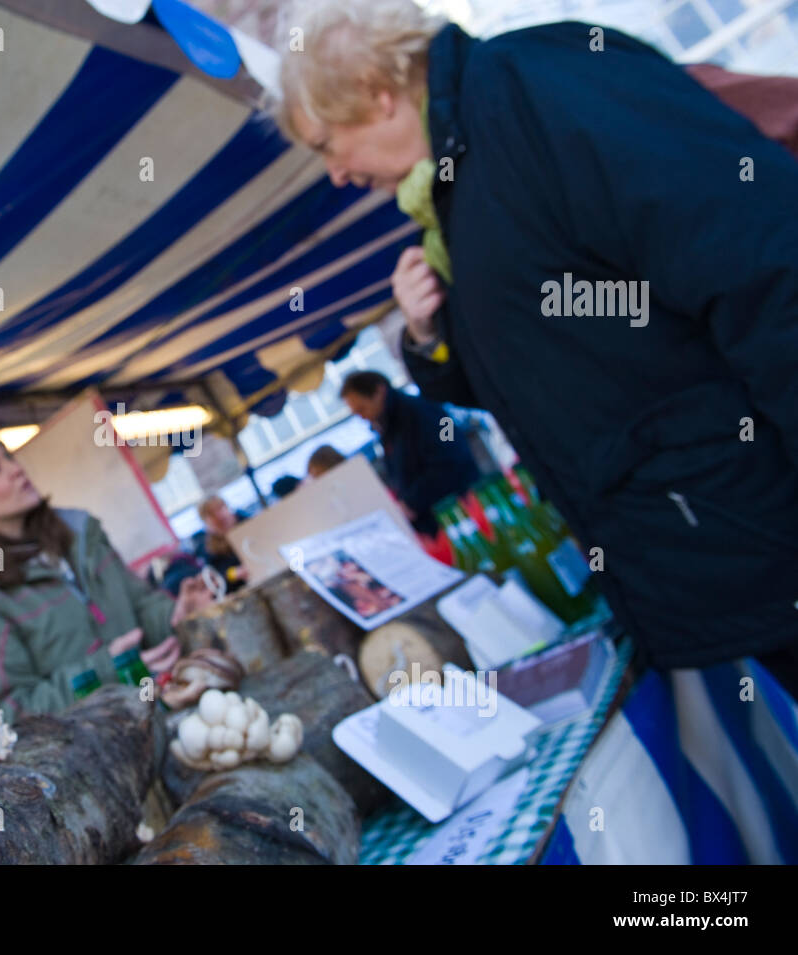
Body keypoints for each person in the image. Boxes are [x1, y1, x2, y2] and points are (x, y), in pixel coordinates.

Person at [273, 0, 798, 671]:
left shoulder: (539, 88)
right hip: (716, 561)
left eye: (324, 146)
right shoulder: (453, 192)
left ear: (376, 97)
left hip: (759, 530)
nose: (336, 174)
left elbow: (761, 260)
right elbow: (516, 377)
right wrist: (427, 337)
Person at [0, 430, 211, 718]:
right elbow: (4, 714)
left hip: (159, 714)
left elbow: (138, 607)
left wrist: (177, 615)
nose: (16, 469)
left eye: (9, 457)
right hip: (94, 757)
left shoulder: (81, 536)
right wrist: (107, 672)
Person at [340, 370, 480, 535]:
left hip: (460, 515)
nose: (361, 417)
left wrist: (412, 502)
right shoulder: (387, 427)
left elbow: (451, 456)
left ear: (379, 391)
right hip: (435, 522)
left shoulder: (425, 411)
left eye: (362, 409)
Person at [193, 495, 250, 589]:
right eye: (211, 513)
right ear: (205, 521)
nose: (219, 515)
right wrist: (234, 573)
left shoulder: (246, 521)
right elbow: (217, 575)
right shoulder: (207, 546)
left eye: (220, 508)